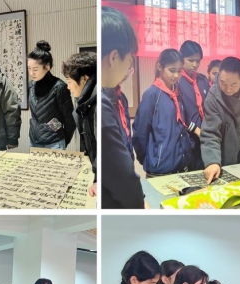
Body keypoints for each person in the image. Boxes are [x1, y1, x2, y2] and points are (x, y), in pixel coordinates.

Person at [101, 6, 145, 208]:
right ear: (113, 57)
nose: (129, 68)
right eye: (129, 61)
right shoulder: (102, 104)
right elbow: (121, 177)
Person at [133, 49, 193, 177]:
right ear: (160, 67)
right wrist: (148, 158)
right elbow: (140, 131)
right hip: (160, 169)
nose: (176, 75)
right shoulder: (152, 94)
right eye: (172, 70)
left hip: (182, 166)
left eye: (179, 71)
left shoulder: (177, 93)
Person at [27, 40, 75, 149]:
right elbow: (36, 116)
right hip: (34, 141)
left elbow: (69, 120)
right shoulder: (31, 85)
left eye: (35, 69)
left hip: (55, 143)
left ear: (47, 66)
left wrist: (63, 141)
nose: (31, 73)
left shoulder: (59, 87)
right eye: (29, 68)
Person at [63, 52, 97, 177]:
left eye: (69, 81)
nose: (68, 87)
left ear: (84, 79)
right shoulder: (84, 101)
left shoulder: (97, 102)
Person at [179, 40, 210, 170]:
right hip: (187, 139)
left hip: (204, 138)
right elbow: (179, 113)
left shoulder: (202, 80)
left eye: (198, 61)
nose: (195, 65)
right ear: (181, 58)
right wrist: (196, 130)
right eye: (190, 60)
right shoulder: (177, 81)